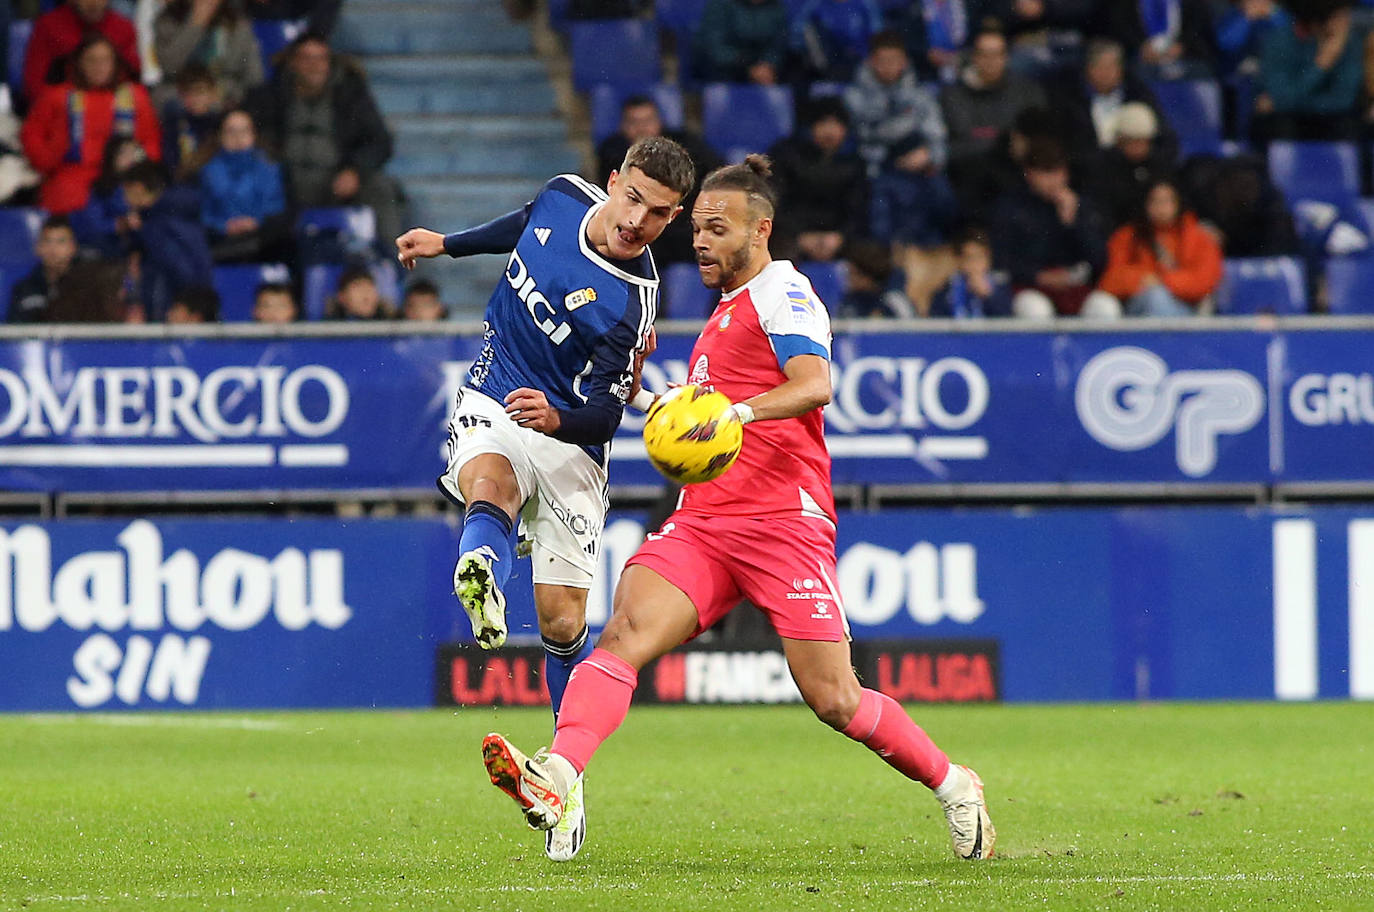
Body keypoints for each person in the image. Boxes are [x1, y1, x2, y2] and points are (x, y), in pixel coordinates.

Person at [479, 155, 995, 863]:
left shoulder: (784, 293)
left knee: (835, 699)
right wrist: (640, 392)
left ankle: (954, 783)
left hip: (785, 525)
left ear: (762, 231)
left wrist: (735, 412)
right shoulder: (722, 316)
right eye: (696, 229)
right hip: (704, 524)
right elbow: (698, 420)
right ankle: (559, 776)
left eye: (716, 229)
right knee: (624, 632)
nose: (699, 243)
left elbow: (814, 385)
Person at [393, 136, 696, 863]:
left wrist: (559, 418)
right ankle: (483, 576)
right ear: (613, 181)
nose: (637, 223)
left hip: (568, 444)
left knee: (563, 624)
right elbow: (523, 222)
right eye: (632, 200)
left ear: (673, 216)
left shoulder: (631, 303)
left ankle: (563, 783)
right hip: (497, 390)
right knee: (487, 483)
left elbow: (606, 415)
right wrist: (448, 245)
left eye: (657, 216)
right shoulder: (565, 194)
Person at [247, 33, 401, 248]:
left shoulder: (350, 94)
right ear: (292, 62)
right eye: (307, 58)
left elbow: (380, 142)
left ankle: (391, 261)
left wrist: (354, 170)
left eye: (320, 58)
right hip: (283, 186)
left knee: (381, 188)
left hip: (335, 185)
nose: (314, 66)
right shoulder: (270, 95)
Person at [20, 33, 161, 214]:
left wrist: (140, 168)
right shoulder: (57, 96)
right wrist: (49, 161)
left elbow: (151, 141)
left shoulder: (135, 95)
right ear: (79, 63)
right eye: (91, 60)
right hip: (72, 176)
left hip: (124, 178)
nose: (99, 67)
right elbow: (31, 135)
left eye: (105, 60)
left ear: (115, 63)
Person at [990, 138, 1113, 317]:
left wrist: (1073, 222)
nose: (1054, 180)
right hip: (1028, 287)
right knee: (1036, 310)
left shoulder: (1081, 206)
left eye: (1058, 172)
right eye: (1046, 173)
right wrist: (1038, 276)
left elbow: (1099, 259)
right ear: (1029, 174)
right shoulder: (1011, 208)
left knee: (1105, 307)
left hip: (1074, 289)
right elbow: (1001, 261)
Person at [595, 96, 721, 264]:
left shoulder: (689, 146)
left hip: (680, 234)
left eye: (647, 121)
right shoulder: (611, 152)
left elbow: (718, 175)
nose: (642, 129)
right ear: (614, 182)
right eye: (634, 122)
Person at [1092, 178, 1223, 317]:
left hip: (1187, 308)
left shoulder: (1199, 237)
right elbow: (1110, 280)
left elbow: (1204, 281)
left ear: (1178, 203)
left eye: (1167, 201)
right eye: (1155, 201)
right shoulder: (1128, 236)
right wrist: (1143, 279)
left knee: (1159, 296)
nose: (1161, 207)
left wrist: (1162, 280)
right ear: (1145, 204)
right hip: (1137, 307)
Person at [767, 97, 868, 263]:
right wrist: (800, 236)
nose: (830, 131)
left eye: (837, 124)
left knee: (874, 256)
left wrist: (840, 236)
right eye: (824, 123)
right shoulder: (785, 155)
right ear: (811, 126)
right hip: (791, 234)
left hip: (837, 238)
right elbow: (774, 203)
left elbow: (858, 209)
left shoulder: (855, 162)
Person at [939, 26, 1046, 175]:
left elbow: (1036, 137)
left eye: (997, 54)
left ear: (1006, 57)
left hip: (1018, 173)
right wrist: (1006, 140)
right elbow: (960, 142)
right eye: (984, 54)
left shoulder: (1027, 91)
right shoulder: (953, 94)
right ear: (974, 57)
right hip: (970, 175)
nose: (991, 61)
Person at [844, 30, 948, 178]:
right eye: (882, 60)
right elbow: (858, 136)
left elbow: (937, 138)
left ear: (904, 62)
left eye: (894, 60)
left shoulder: (921, 96)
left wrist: (929, 155)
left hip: (911, 165)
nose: (888, 66)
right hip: (867, 169)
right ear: (871, 61)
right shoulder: (853, 96)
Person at [120, 160, 214, 320]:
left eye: (126, 191)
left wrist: (183, 303)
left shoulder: (158, 223)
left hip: (174, 303)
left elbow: (173, 264)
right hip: (189, 299)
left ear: (138, 188)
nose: (124, 199)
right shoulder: (178, 213)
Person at [199, 108, 290, 263]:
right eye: (231, 131)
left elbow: (278, 208)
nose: (238, 137)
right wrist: (224, 226)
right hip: (220, 244)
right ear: (220, 136)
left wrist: (256, 222)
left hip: (265, 244)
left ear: (253, 134)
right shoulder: (206, 172)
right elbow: (202, 213)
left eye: (244, 131)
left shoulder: (271, 169)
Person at [22, 0, 141, 107]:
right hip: (61, 112)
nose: (93, 3)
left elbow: (133, 81)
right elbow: (34, 86)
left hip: (114, 111)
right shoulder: (49, 27)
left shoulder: (123, 28)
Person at [154, 0, 265, 107]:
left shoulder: (238, 23)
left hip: (225, 98)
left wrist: (219, 92)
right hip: (182, 94)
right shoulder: (169, 20)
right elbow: (169, 66)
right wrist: (196, 24)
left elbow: (255, 77)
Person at [693, 0, 789, 85]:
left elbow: (778, 44)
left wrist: (769, 64)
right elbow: (715, 46)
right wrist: (749, 67)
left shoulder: (776, 6)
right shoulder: (719, 4)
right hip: (725, 71)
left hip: (765, 72)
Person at [8, 216, 81, 323]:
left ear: (73, 247)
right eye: (47, 241)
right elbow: (15, 332)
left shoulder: (86, 287)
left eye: (61, 241)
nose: (53, 249)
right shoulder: (23, 288)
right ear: (38, 248)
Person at [929, 227, 1013, 317]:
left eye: (979, 257)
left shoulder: (1000, 287)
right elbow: (936, 320)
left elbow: (1007, 320)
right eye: (969, 258)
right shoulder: (946, 290)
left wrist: (988, 296)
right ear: (960, 260)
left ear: (988, 258)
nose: (974, 264)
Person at [325, 265, 395, 320]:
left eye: (369, 286)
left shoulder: (394, 328)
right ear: (342, 297)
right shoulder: (327, 332)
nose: (366, 292)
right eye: (358, 286)